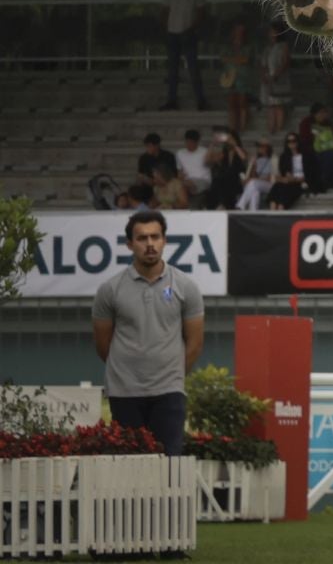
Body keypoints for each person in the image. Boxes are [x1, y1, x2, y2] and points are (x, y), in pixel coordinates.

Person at [91, 210, 204, 455]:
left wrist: (170, 374)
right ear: (130, 244)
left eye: (155, 237)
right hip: (124, 391)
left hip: (169, 392)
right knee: (128, 469)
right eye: (142, 238)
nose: (150, 244)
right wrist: (129, 371)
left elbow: (194, 343)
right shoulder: (110, 290)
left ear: (165, 240)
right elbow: (103, 346)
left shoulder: (186, 287)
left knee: (170, 466)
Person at [158, 0, 207, 111]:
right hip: (173, 33)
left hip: (188, 33)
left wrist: (192, 28)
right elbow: (165, 11)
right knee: (172, 70)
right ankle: (172, 100)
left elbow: (201, 12)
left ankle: (200, 100)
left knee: (193, 68)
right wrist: (166, 29)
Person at [219, 20, 254, 136]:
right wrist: (236, 59)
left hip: (243, 78)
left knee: (242, 102)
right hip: (229, 78)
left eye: (241, 32)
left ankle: (243, 127)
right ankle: (233, 127)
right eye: (237, 31)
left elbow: (245, 59)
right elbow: (223, 58)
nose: (239, 34)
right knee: (232, 103)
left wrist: (232, 59)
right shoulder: (227, 46)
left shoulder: (248, 47)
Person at [259, 20, 292, 136]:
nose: (271, 33)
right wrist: (264, 76)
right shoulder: (267, 48)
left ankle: (279, 129)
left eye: (273, 31)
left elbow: (285, 63)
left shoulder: (283, 46)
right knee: (270, 105)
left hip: (279, 79)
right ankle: (271, 128)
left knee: (278, 104)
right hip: (268, 79)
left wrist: (276, 75)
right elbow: (263, 64)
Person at [202, 132, 243, 210]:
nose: (228, 141)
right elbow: (207, 161)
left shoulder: (240, 151)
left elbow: (243, 158)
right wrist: (212, 144)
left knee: (223, 181)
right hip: (223, 181)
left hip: (236, 180)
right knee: (218, 181)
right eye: (228, 139)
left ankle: (223, 205)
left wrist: (235, 145)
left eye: (230, 139)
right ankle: (211, 206)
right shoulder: (223, 154)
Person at [268, 133, 307, 209]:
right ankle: (272, 211)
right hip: (288, 182)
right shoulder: (284, 156)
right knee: (277, 186)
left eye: (293, 140)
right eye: (289, 141)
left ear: (298, 141)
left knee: (285, 191)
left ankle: (280, 209)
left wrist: (295, 179)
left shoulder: (305, 155)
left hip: (300, 182)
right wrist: (284, 178)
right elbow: (283, 173)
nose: (291, 143)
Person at [236, 138, 275, 211]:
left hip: (271, 185)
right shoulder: (257, 160)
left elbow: (270, 178)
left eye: (261, 146)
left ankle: (240, 205)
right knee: (255, 191)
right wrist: (253, 167)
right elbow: (254, 177)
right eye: (258, 146)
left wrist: (253, 179)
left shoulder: (272, 159)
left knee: (253, 183)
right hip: (259, 184)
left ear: (267, 147)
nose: (258, 148)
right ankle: (253, 211)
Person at [173, 130, 209, 202]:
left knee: (187, 186)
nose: (189, 144)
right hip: (186, 180)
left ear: (197, 142)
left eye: (191, 142)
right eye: (187, 142)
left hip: (202, 180)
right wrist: (181, 177)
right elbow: (179, 171)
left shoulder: (205, 152)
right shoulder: (180, 153)